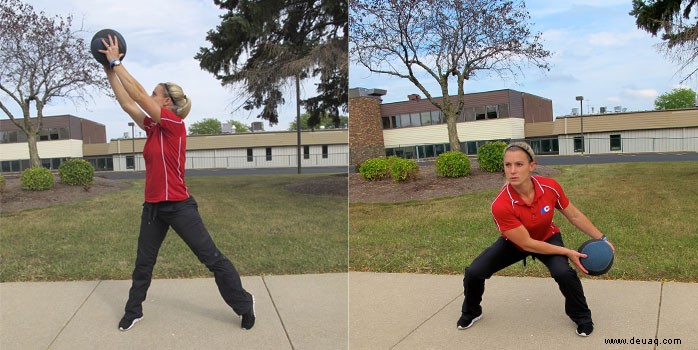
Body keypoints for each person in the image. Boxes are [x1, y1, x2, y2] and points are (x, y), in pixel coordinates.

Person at [99, 35, 255, 331]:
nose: (151, 97)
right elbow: (126, 102)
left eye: (156, 94)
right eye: (154, 95)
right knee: (143, 264)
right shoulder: (152, 128)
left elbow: (139, 96)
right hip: (153, 209)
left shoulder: (173, 124)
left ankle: (245, 305)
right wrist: (109, 69)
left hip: (180, 207)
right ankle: (134, 311)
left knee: (212, 259)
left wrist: (117, 62)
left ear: (166, 102)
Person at [457, 141, 614, 337]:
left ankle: (582, 317)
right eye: (508, 165)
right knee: (474, 272)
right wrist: (567, 252)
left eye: (519, 164)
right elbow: (526, 243)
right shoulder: (501, 204)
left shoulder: (550, 187)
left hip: (548, 237)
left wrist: (602, 238)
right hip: (515, 244)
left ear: (532, 166)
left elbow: (574, 215)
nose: (512, 170)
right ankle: (471, 312)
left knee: (564, 274)